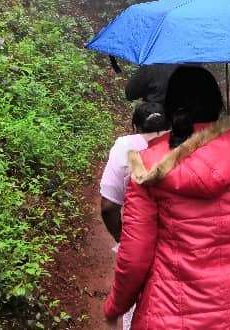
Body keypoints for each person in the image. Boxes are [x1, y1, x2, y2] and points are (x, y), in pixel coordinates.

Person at [103, 66, 230, 329]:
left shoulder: (149, 166)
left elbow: (135, 257)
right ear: (217, 106)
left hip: (169, 315)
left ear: (171, 110)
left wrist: (115, 306)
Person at [100, 102, 169, 330]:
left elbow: (109, 206)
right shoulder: (185, 146)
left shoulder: (125, 147)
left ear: (134, 125)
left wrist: (122, 239)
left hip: (139, 243)